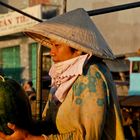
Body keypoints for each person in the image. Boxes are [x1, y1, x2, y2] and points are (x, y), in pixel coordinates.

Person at [0, 8, 125, 140]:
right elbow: (51, 125)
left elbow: (89, 136)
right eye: (51, 45)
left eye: (57, 45)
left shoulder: (92, 74)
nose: (52, 52)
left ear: (78, 49)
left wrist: (28, 138)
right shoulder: (62, 77)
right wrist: (22, 130)